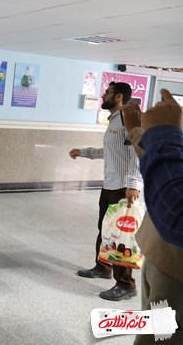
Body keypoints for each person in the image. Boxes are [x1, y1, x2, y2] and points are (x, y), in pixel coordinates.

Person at [120, 89, 183, 345]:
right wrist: (136, 130)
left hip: (176, 273)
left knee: (159, 339)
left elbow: (176, 215)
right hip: (160, 257)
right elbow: (171, 168)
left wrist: (166, 133)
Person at [69, 81, 142, 301]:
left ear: (118, 97)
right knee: (105, 229)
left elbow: (138, 151)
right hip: (110, 184)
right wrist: (84, 152)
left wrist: (133, 184)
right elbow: (111, 152)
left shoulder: (128, 118)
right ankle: (103, 266)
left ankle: (126, 285)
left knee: (121, 235)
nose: (103, 96)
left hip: (123, 187)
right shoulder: (114, 120)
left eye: (107, 93)